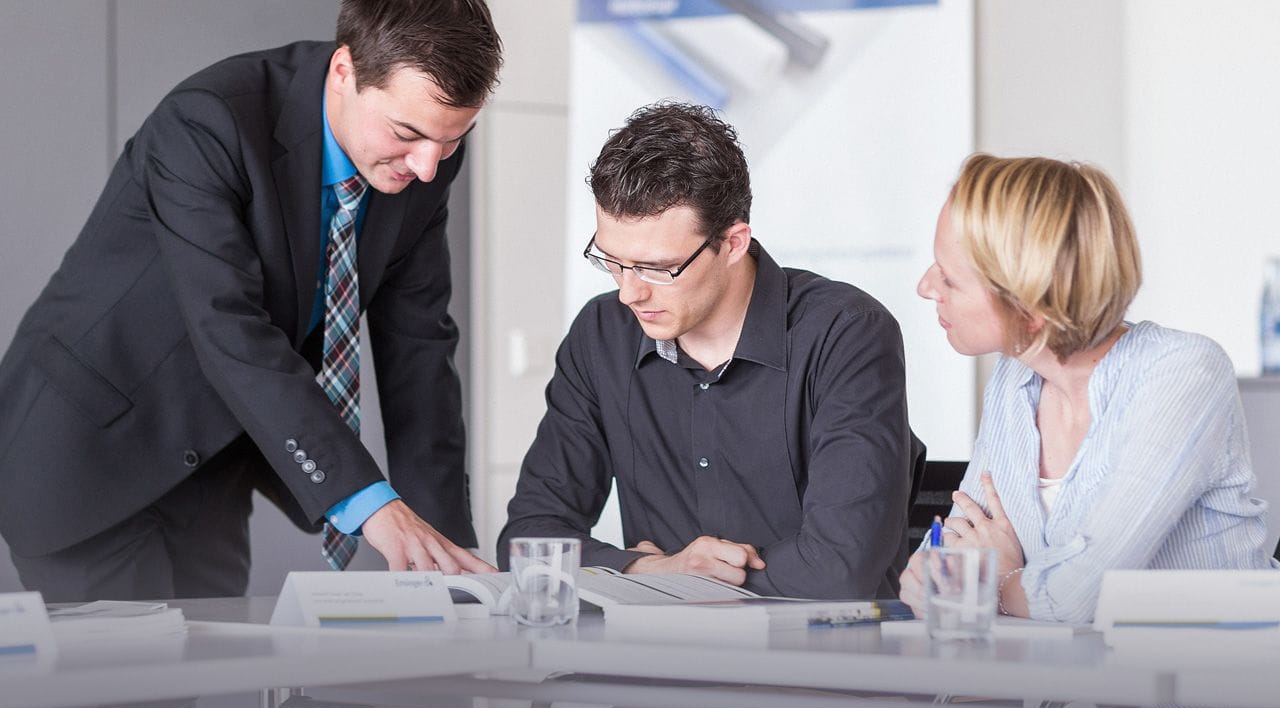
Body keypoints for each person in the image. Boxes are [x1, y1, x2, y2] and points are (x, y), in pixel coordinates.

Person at [0, 0, 502, 603]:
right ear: (344, 71)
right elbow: (229, 326)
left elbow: (420, 351)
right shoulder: (209, 122)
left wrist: (446, 556)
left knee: (212, 680)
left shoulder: (428, 159)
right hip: (88, 455)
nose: (427, 167)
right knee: (136, 693)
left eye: (452, 139)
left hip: (211, 462)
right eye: (407, 134)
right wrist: (370, 503)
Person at [499, 102, 923, 599]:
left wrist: (692, 580)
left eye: (658, 267)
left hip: (818, 663)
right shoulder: (602, 334)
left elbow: (839, 570)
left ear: (734, 242)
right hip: (661, 663)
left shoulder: (845, 333)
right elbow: (528, 542)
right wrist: (652, 572)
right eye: (612, 261)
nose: (629, 293)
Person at [900, 153, 1279, 624]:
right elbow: (934, 569)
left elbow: (1080, 595)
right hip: (1066, 688)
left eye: (949, 277)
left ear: (1029, 303)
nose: (925, 287)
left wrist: (996, 582)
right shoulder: (1015, 375)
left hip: (1192, 692)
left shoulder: (1182, 372)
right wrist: (976, 582)